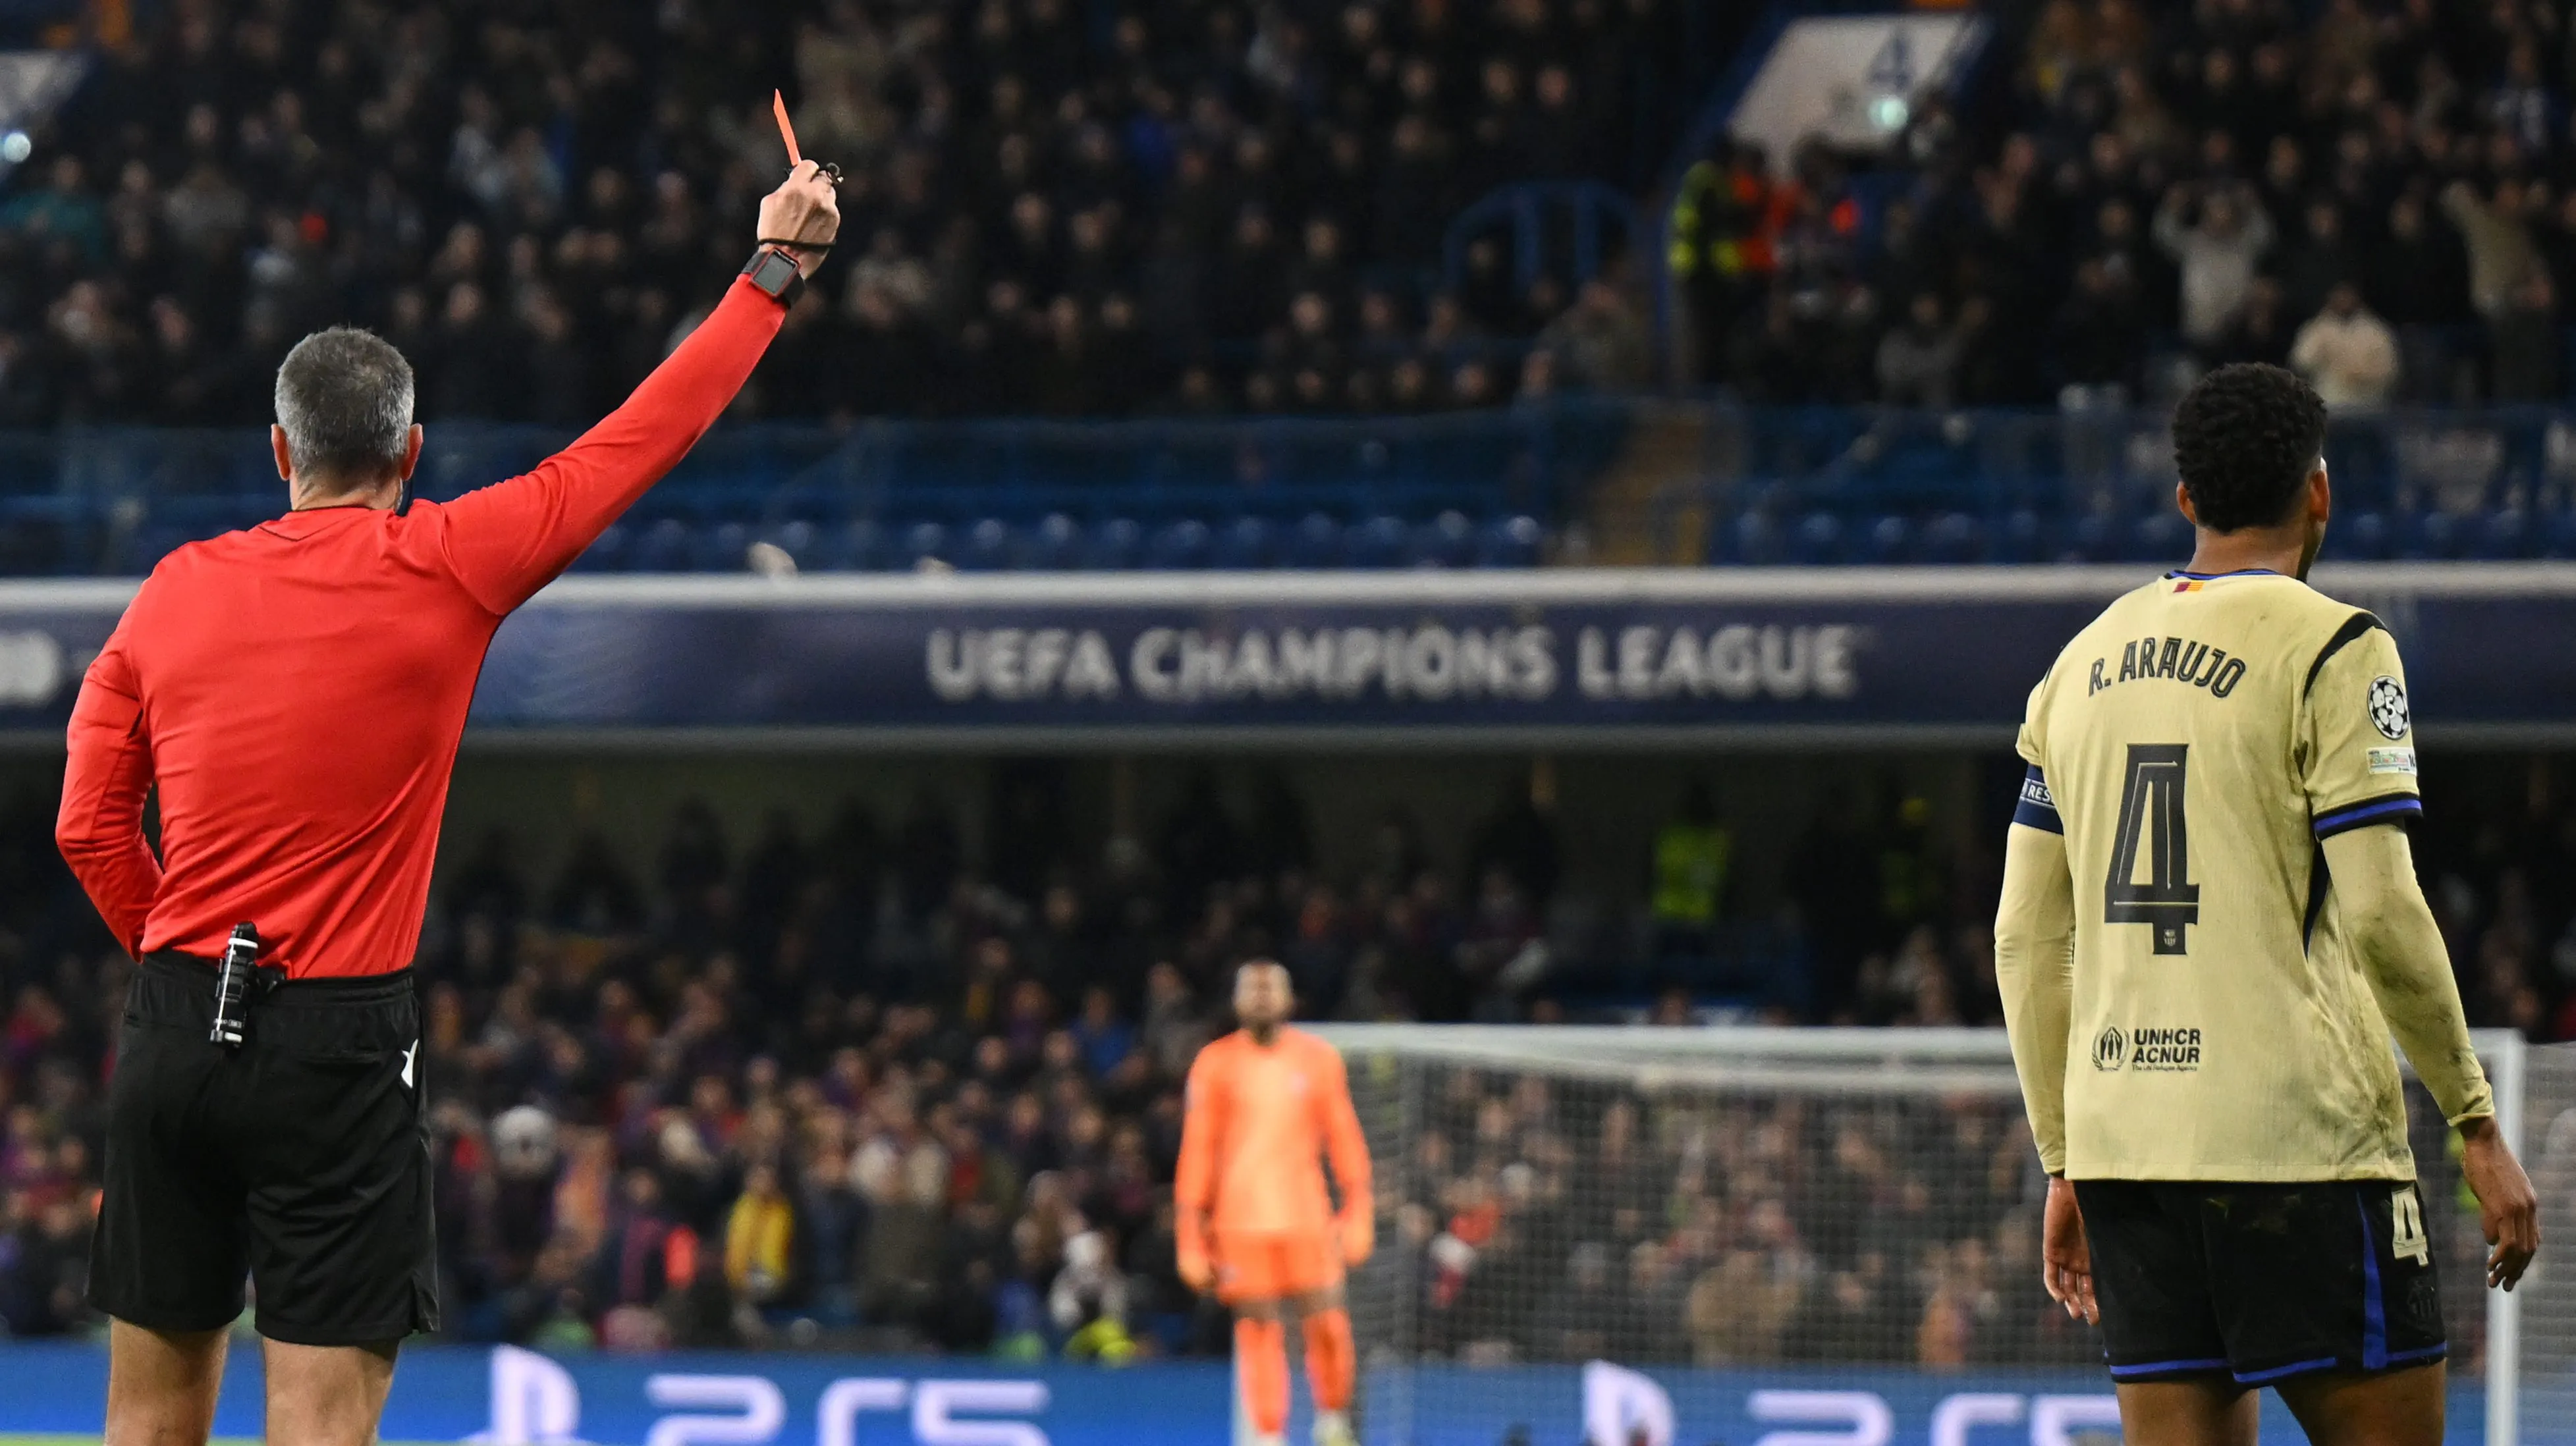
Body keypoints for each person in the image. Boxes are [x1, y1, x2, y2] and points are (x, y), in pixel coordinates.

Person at [52, 163, 840, 1446]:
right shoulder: (448, 561)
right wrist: (772, 271)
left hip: (172, 1033)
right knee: (318, 1425)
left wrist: (181, 968)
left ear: (279, 453)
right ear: (412, 455)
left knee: (145, 1428)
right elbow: (641, 437)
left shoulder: (173, 589)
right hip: (334, 1050)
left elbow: (87, 826)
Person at [1992, 362, 2539, 1446]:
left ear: (2184, 500)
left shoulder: (2075, 667)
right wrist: (2474, 1121)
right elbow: (2382, 909)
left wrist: (2064, 1157)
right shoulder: (2335, 647)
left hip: (2127, 1155)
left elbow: (2023, 938)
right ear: (2319, 492)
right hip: (2299, 1149)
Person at [1176, 962, 1373, 1446]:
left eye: (1271, 988)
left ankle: (1333, 1421)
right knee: (1258, 1330)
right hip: (1239, 1224)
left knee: (1328, 1320)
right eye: (1252, 988)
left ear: (1290, 1000)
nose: (1262, 997)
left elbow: (1344, 1138)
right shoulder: (1214, 1063)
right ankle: (1268, 1435)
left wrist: (1358, 1209)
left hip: (1306, 1216)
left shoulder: (1318, 1060)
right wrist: (1189, 1236)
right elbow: (1198, 1150)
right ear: (1237, 1001)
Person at [2287, 282, 2398, 410]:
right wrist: (2321, 350)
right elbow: (2300, 363)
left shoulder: (2377, 332)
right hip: (2327, 404)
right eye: (2340, 295)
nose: (2343, 300)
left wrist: (2363, 373)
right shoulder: (2316, 329)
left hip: (2368, 406)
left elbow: (2390, 372)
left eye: (2347, 295)